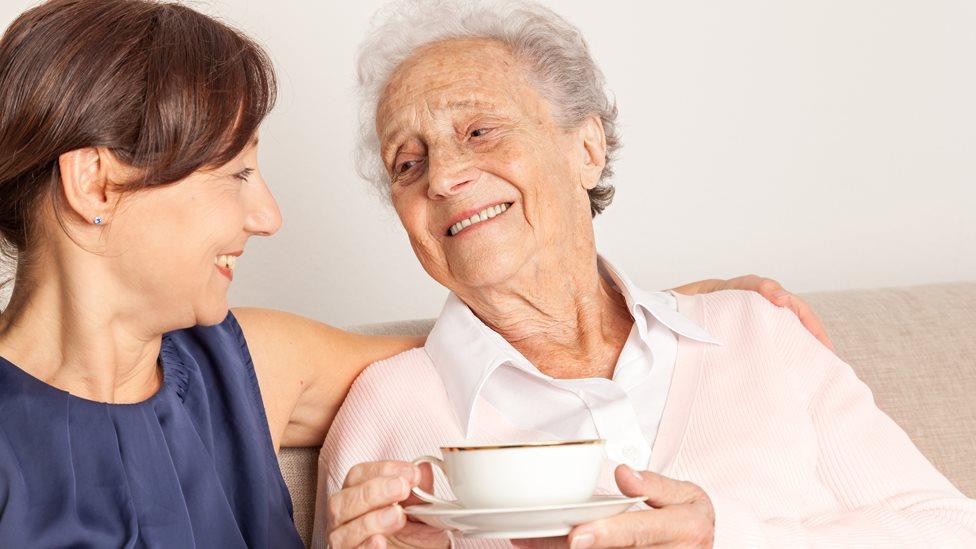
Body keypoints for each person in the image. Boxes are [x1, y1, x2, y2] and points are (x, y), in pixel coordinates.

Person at [0, 1, 819, 546]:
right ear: (97, 183)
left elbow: (503, 345)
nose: (267, 216)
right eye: (235, 175)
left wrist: (660, 308)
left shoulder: (240, 360)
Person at [318, 1, 976, 547]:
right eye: (408, 163)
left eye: (481, 131)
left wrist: (724, 535)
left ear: (587, 147)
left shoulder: (754, 334)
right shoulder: (388, 408)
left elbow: (951, 528)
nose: (445, 176)